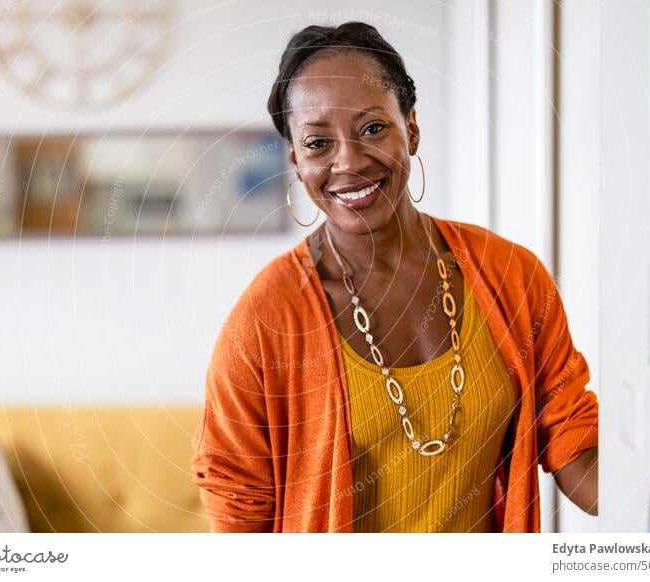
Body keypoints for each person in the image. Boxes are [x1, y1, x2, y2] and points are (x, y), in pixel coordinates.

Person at [191, 21, 598, 533]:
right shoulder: (263, 323)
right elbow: (239, 524)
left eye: (373, 128)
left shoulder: (512, 277)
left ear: (412, 128)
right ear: (295, 159)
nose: (350, 161)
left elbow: (575, 446)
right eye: (318, 143)